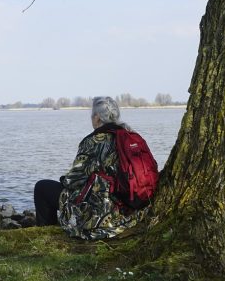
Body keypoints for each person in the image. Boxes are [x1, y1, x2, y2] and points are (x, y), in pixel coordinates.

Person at [34, 96, 149, 240]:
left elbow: (73, 181)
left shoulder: (93, 141)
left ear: (97, 118)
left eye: (92, 115)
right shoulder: (131, 136)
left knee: (42, 187)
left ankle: (45, 233)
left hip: (99, 212)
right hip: (130, 206)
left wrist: (64, 179)